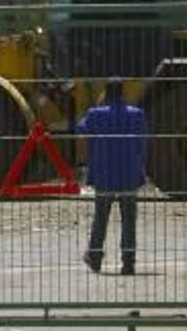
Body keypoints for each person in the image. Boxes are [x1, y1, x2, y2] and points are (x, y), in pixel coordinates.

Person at [78, 79, 147, 275]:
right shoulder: (137, 114)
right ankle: (128, 261)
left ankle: (95, 256)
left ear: (106, 93)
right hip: (128, 174)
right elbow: (143, 144)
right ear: (123, 93)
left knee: (100, 218)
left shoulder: (96, 115)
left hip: (104, 174)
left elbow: (82, 128)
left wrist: (99, 106)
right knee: (129, 220)